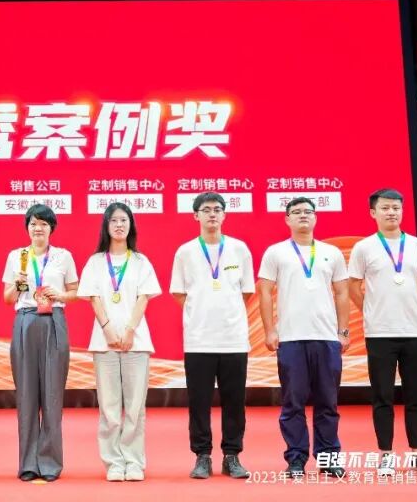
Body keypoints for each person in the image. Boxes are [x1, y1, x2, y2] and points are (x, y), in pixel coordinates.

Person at [256, 197, 350, 479]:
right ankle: (296, 458)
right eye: (296, 212)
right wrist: (270, 330)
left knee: (327, 403)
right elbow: (265, 293)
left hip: (326, 338)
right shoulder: (276, 252)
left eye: (308, 211)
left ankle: (329, 457)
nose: (303, 216)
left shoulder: (331, 252)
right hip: (291, 338)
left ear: (316, 217)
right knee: (292, 403)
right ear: (287, 219)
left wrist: (343, 331)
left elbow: (342, 293)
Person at [348, 188, 417, 476]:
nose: (391, 212)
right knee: (382, 396)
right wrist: (371, 309)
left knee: (416, 396)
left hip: (415, 330)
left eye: (396, 208)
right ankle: (386, 454)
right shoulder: (364, 248)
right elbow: (353, 286)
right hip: (380, 332)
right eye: (385, 208)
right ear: (373, 212)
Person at [170, 192, 255, 479]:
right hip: (199, 340)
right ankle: (202, 456)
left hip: (234, 339)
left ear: (224, 215)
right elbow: (179, 293)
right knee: (199, 402)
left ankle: (232, 456)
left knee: (235, 401)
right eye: (206, 210)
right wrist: (201, 312)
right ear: (196, 215)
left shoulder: (239, 249)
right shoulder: (185, 252)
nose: (212, 214)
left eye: (217, 209)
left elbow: (246, 291)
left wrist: (225, 312)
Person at [78, 202, 161, 482]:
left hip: (136, 342)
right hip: (104, 343)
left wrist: (129, 330)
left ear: (131, 225)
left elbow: (144, 297)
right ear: (106, 225)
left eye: (124, 220)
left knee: (135, 407)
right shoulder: (95, 262)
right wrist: (108, 330)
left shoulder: (140, 261)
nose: (119, 225)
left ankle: (134, 462)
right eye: (113, 220)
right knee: (109, 407)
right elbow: (94, 298)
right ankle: (114, 462)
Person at [2, 204, 79, 482]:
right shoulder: (17, 256)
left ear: (51, 229)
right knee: (26, 395)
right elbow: (7, 298)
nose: (38, 228)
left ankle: (49, 464)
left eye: (44, 224)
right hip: (25, 320)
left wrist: (60, 295)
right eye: (33, 224)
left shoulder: (63, 256)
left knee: (52, 394)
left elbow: (76, 292)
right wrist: (17, 283)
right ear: (27, 228)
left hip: (53, 321)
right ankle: (28, 463)